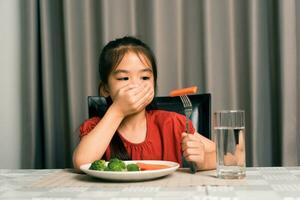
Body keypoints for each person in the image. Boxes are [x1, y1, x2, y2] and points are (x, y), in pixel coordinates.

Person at [73, 36, 216, 171]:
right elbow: (82, 163)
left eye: (145, 77)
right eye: (124, 78)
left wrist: (204, 160)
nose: (136, 85)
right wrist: (118, 111)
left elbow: (228, 155)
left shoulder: (172, 123)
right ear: (105, 89)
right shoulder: (94, 127)